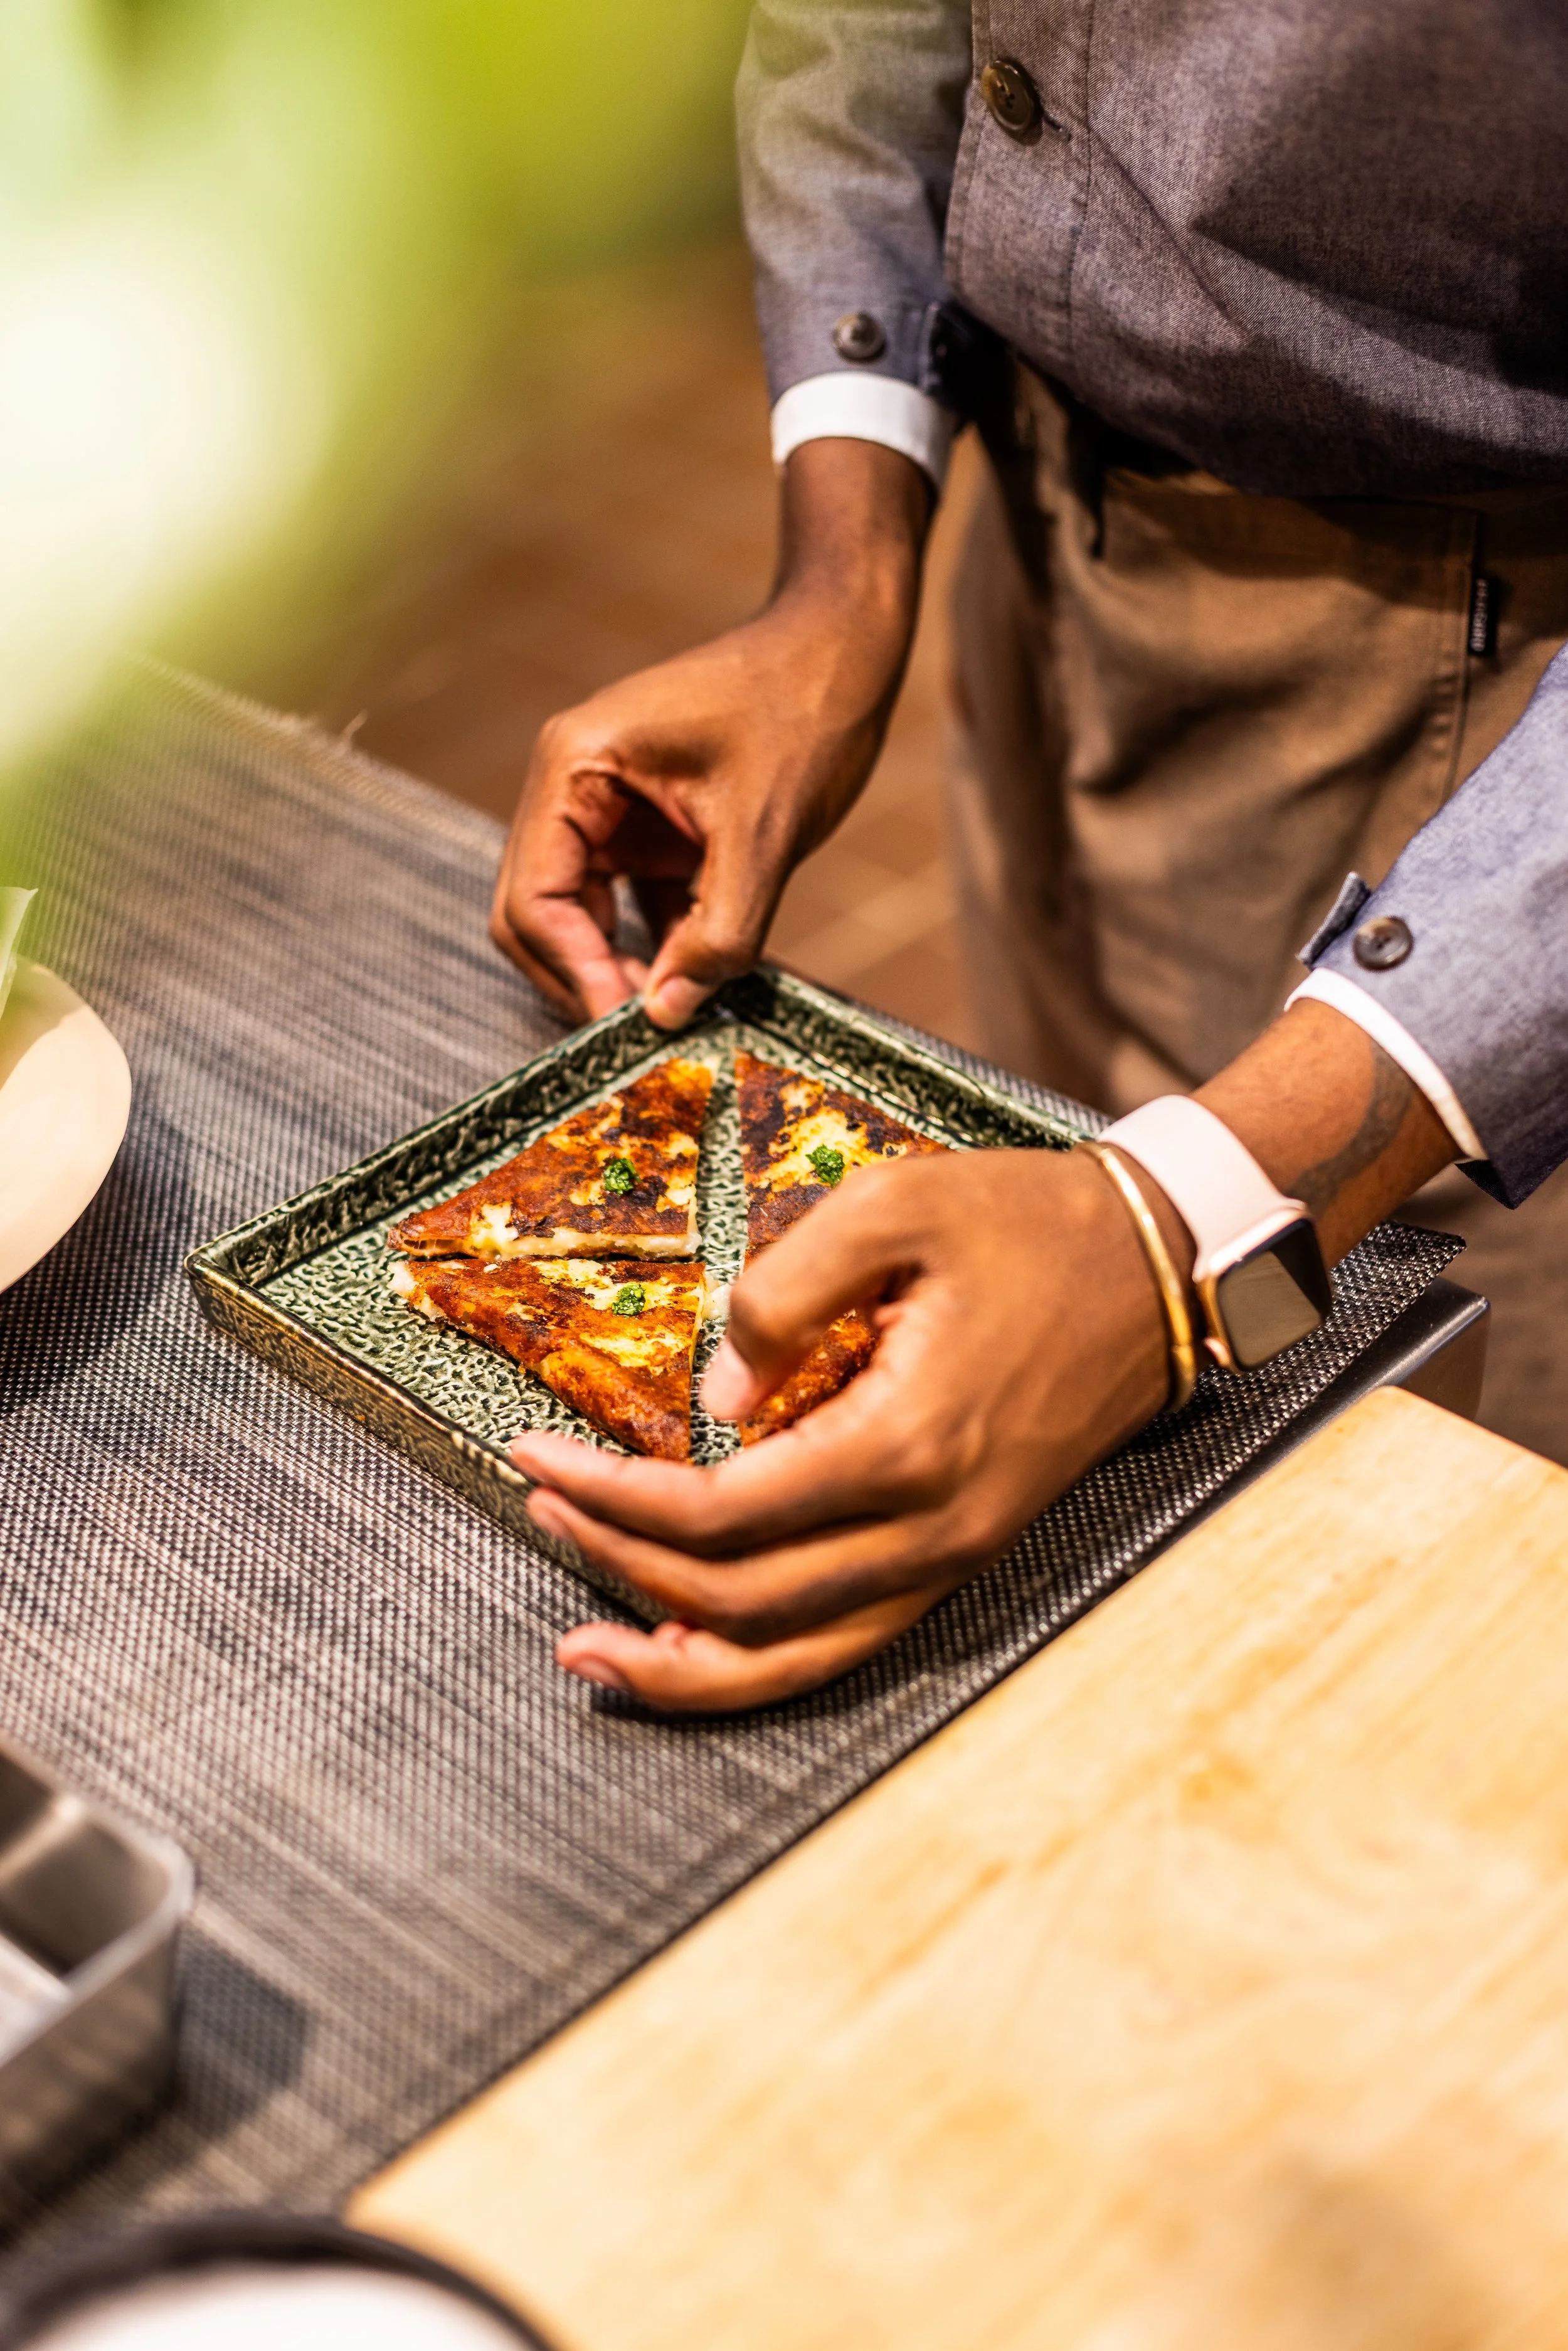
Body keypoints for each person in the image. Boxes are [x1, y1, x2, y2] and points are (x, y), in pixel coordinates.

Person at [490, 0, 1568, 1712]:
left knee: (1391, 1592)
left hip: (1490, 727)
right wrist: (843, 570)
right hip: (1040, 523)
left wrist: (1172, 1233)